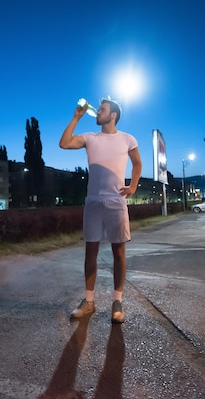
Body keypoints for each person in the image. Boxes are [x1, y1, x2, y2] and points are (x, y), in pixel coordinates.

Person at [59, 97, 142, 324]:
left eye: (102, 110)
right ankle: (88, 302)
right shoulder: (90, 138)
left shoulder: (127, 139)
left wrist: (133, 186)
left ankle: (117, 302)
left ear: (112, 115)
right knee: (90, 252)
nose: (97, 113)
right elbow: (64, 143)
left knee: (119, 253)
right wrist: (76, 117)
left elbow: (137, 163)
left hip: (116, 201)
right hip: (94, 201)